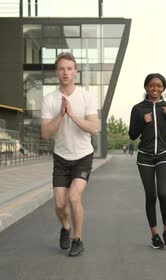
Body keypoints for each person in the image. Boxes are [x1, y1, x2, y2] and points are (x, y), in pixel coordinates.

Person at [41, 52, 99, 257]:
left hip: (83, 156)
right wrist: (61, 114)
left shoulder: (86, 97)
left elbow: (94, 128)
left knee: (74, 197)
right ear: (57, 73)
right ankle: (65, 227)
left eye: (69, 68)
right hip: (61, 158)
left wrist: (72, 114)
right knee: (59, 205)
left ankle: (78, 239)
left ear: (75, 71)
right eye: (61, 69)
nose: (65, 72)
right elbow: (46, 133)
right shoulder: (49, 99)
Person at [128, 73, 166, 249]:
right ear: (146, 87)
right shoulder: (138, 109)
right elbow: (132, 135)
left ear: (163, 88)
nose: (155, 89)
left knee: (163, 194)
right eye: (152, 85)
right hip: (145, 157)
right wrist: (143, 122)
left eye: (159, 86)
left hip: (164, 155)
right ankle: (155, 235)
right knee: (150, 196)